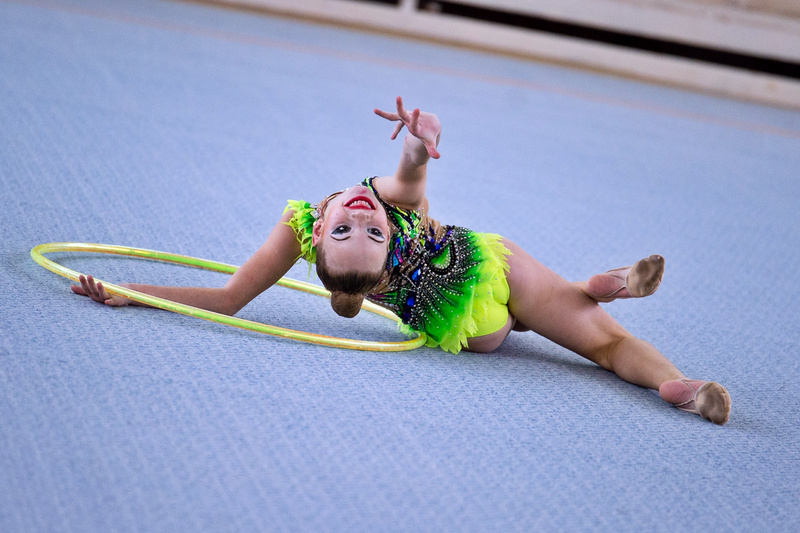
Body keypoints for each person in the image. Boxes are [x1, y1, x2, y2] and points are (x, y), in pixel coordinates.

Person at [72, 97, 731, 425]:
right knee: (602, 340)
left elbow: (229, 299)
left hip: (470, 324)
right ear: (387, 245)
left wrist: (421, 140)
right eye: (364, 229)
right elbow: (408, 179)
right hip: (486, 276)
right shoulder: (379, 211)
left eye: (352, 226)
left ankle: (682, 388)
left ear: (320, 235)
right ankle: (595, 288)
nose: (361, 213)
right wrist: (134, 292)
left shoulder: (320, 222)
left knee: (592, 342)